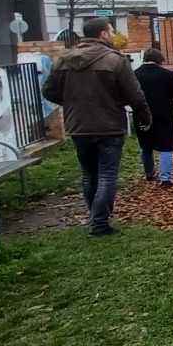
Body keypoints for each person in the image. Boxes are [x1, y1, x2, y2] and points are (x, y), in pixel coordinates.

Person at [41, 17, 150, 236]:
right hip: (109, 124)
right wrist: (145, 116)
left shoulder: (62, 60)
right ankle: (99, 223)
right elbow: (135, 94)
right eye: (111, 31)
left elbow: (48, 91)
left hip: (77, 124)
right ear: (103, 34)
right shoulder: (115, 60)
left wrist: (73, 103)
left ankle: (95, 217)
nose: (112, 34)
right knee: (108, 174)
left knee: (88, 173)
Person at [134, 48, 173, 188]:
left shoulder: (135, 75)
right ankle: (165, 178)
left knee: (145, 145)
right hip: (164, 114)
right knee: (166, 147)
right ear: (160, 60)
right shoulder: (166, 75)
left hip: (142, 114)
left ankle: (149, 173)